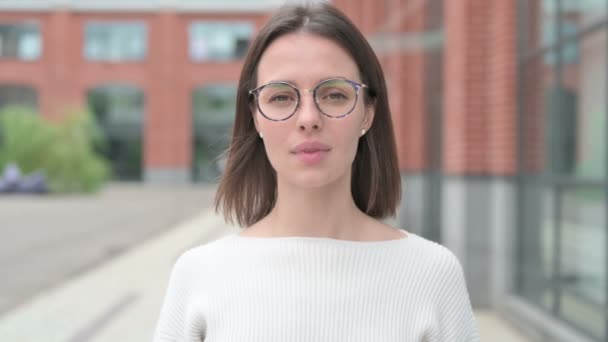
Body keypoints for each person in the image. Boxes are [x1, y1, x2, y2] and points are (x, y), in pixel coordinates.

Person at [153, 3, 480, 341]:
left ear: (368, 114)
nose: (308, 117)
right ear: (255, 116)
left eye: (334, 95)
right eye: (281, 97)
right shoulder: (199, 274)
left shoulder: (432, 274)